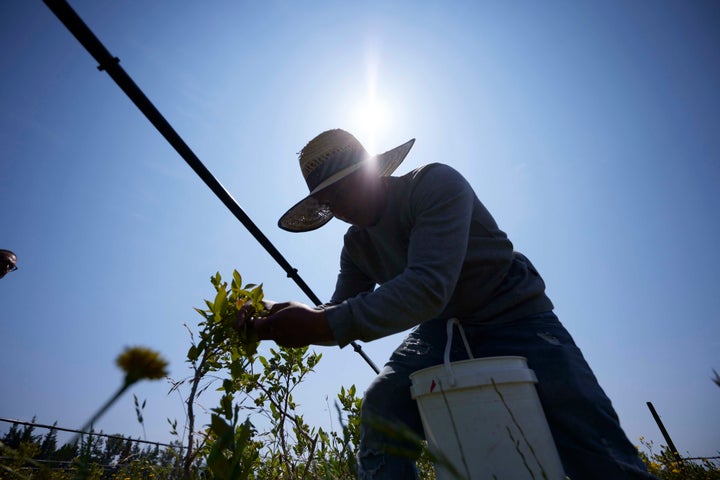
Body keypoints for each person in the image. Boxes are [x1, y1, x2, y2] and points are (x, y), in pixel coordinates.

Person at [253, 129, 655, 479]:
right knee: (383, 405)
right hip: (440, 329)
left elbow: (428, 287)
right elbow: (339, 306)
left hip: (515, 312)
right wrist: (275, 312)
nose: (339, 206)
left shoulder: (433, 185)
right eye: (329, 199)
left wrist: (322, 327)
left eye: (344, 187)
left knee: (588, 432)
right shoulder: (356, 245)